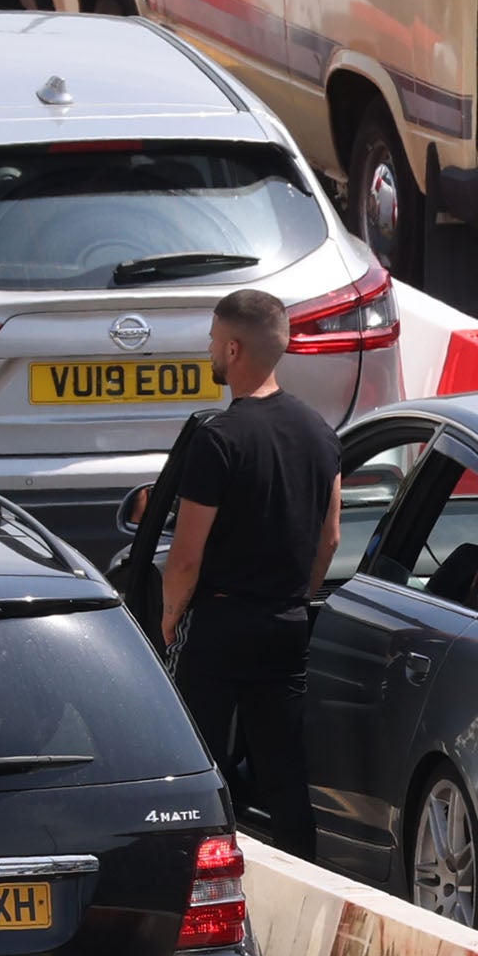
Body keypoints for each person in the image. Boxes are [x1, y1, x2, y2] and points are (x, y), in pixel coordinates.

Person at [147, 285, 339, 834]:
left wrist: (169, 618)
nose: (209, 351)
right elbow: (329, 537)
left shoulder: (220, 439)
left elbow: (186, 556)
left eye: (212, 340)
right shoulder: (320, 434)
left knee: (193, 762)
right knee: (284, 772)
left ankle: (197, 876)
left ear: (233, 350)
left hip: (220, 622)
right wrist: (297, 597)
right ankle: (303, 876)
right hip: (285, 622)